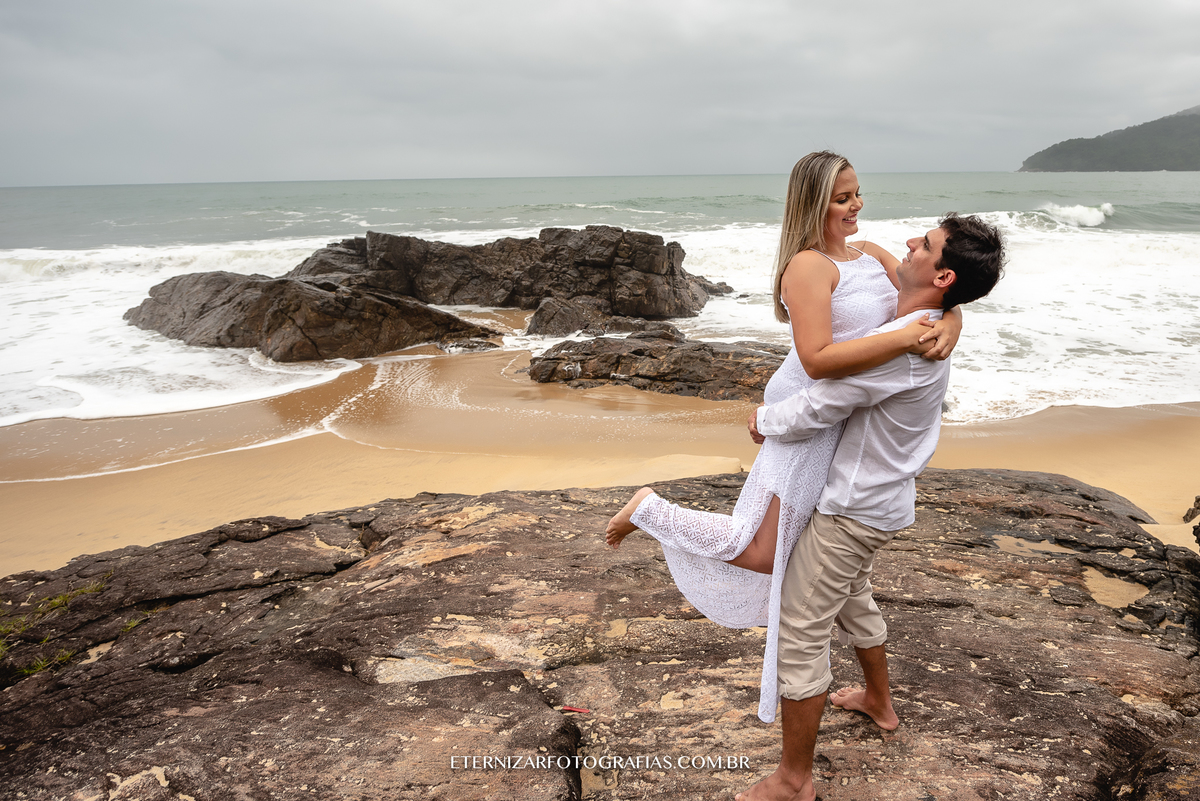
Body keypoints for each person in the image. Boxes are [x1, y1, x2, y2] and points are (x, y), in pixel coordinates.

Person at [605, 151, 962, 723]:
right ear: (812, 203)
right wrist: (903, 342)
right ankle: (650, 508)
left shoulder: (872, 255)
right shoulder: (806, 267)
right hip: (806, 415)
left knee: (844, 578)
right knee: (766, 549)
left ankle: (879, 698)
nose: (856, 206)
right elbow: (818, 360)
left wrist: (952, 320)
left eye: (857, 194)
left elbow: (936, 289)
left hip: (839, 418)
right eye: (842, 198)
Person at [735, 213, 1005, 801]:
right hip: (882, 503)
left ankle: (794, 779)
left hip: (853, 510)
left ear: (942, 275)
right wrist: (954, 312)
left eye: (926, 245)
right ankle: (879, 701)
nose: (911, 242)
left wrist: (763, 419)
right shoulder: (923, 320)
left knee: (802, 629)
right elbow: (883, 267)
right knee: (852, 596)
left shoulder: (906, 348)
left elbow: (823, 403)